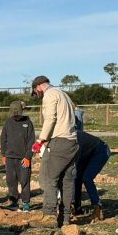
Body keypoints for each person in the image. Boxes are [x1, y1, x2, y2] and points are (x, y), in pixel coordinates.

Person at [31, 75, 79, 226]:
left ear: (38, 87)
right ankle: (65, 218)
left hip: (59, 142)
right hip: (73, 141)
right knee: (67, 180)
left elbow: (50, 119)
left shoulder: (49, 95)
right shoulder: (63, 94)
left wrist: (41, 140)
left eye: (36, 92)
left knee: (50, 179)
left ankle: (49, 216)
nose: (38, 95)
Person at [0, 100, 35, 212]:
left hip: (23, 158)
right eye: (14, 115)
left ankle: (25, 203)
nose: (16, 117)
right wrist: (4, 154)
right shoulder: (8, 123)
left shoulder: (28, 123)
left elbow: (31, 141)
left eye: (18, 114)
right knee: (11, 181)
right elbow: (3, 139)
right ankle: (14, 202)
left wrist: (28, 157)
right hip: (10, 158)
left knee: (24, 180)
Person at [73, 130, 110, 220]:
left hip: (101, 151)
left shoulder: (73, 140)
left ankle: (97, 208)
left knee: (87, 178)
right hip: (87, 153)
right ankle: (76, 208)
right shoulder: (67, 138)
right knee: (76, 178)